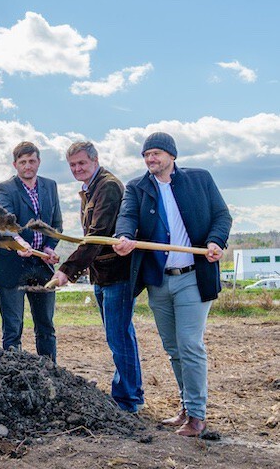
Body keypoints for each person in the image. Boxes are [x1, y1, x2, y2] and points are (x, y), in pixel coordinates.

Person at [114, 132, 231, 436]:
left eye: (155, 153)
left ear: (172, 155)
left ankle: (197, 416)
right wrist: (123, 237)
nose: (150, 159)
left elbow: (222, 216)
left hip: (193, 276)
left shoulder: (200, 179)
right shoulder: (137, 187)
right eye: (146, 155)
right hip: (159, 280)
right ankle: (186, 407)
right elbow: (127, 217)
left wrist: (215, 242)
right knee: (173, 347)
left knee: (190, 344)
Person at [51, 141, 143, 413]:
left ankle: (128, 400)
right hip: (101, 275)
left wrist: (67, 270)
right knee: (118, 335)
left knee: (119, 337)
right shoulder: (90, 189)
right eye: (72, 165)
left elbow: (97, 236)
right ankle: (128, 394)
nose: (77, 168)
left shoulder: (108, 187)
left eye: (82, 163)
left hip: (116, 273)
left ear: (95, 160)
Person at [0, 141, 62, 362]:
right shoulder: (6, 188)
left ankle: (51, 372)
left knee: (46, 325)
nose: (27, 166)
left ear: (39, 162)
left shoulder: (50, 186)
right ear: (15, 164)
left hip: (42, 264)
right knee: (13, 327)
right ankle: (15, 373)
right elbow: (3, 222)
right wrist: (20, 242)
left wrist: (49, 247)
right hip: (13, 265)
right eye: (23, 162)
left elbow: (56, 223)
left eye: (32, 161)